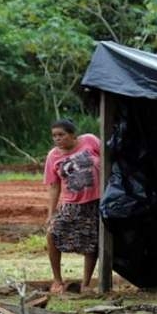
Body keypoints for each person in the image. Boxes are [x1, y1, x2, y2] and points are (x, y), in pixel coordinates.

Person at [43, 119, 101, 294]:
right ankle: (57, 281)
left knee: (92, 243)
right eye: (54, 136)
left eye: (61, 135)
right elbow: (54, 187)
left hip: (96, 202)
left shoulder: (90, 141)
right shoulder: (53, 156)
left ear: (72, 134)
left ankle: (86, 283)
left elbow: (108, 159)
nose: (58, 139)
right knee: (52, 234)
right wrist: (51, 213)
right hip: (71, 204)